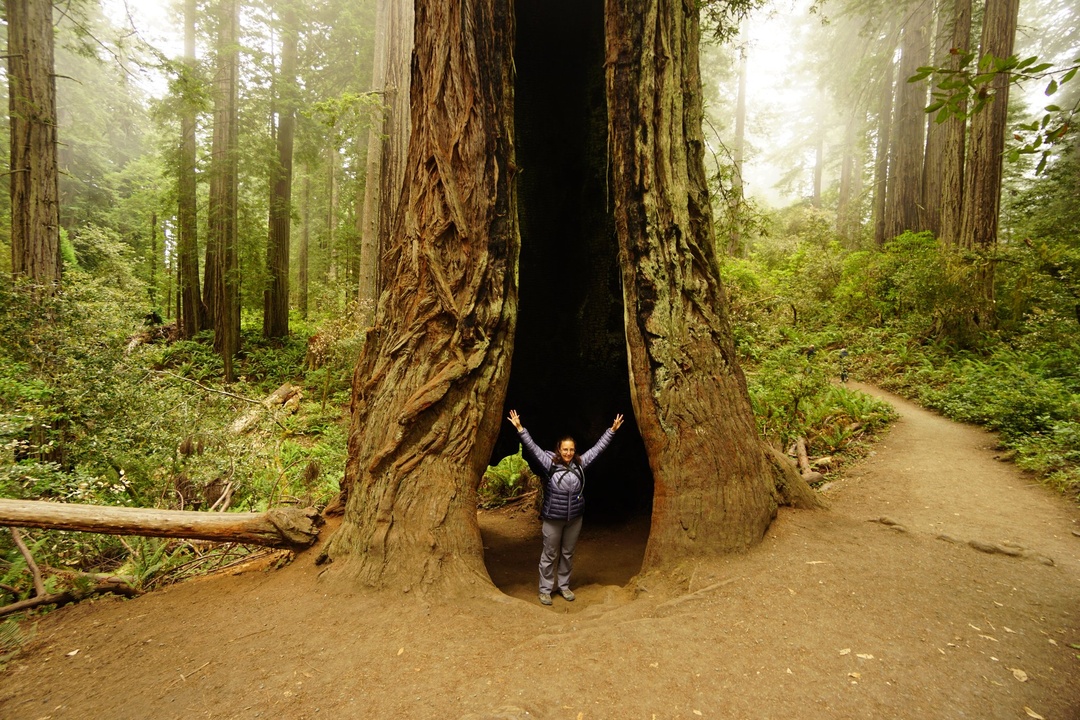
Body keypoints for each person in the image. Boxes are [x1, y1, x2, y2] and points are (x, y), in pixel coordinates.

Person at [507, 409, 624, 606]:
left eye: (571, 450)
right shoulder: (549, 464)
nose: (568, 453)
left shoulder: (580, 465)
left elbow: (597, 449)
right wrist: (520, 428)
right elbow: (533, 447)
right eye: (565, 449)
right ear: (559, 450)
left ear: (574, 450)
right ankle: (545, 589)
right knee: (550, 554)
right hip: (553, 518)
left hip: (574, 519)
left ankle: (563, 586)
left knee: (568, 553)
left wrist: (611, 430)